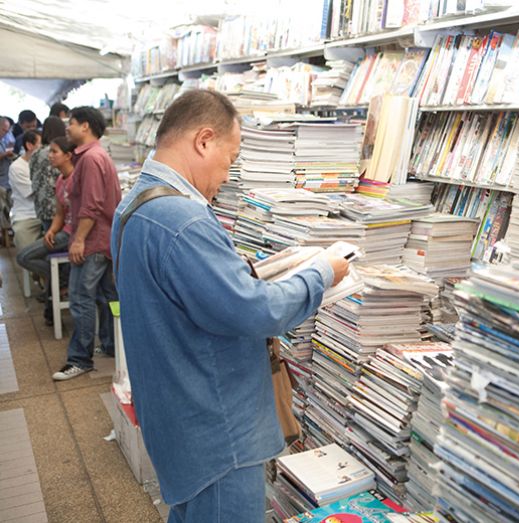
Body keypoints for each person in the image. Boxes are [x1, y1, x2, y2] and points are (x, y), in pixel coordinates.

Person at [110, 89, 349, 521]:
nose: (228, 173)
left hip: (176, 420)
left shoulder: (133, 206)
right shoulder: (182, 219)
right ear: (204, 140)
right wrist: (322, 274)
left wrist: (233, 271)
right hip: (217, 434)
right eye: (231, 158)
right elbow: (255, 311)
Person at [52, 107, 121, 381]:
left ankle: (80, 359)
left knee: (81, 298)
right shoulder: (94, 156)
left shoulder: (91, 159)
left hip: (93, 241)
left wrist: (78, 239)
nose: (67, 128)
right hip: (103, 239)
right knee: (107, 297)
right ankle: (111, 345)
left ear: (85, 127)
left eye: (72, 123)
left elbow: (90, 205)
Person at [17, 137, 76, 325]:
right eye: (49, 151)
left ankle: (60, 281)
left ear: (68, 156)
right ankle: (60, 279)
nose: (49, 156)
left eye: (54, 152)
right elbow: (59, 213)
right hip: (62, 231)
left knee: (24, 257)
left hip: (72, 234)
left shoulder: (77, 179)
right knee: (25, 257)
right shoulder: (60, 179)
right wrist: (51, 230)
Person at [30, 116, 66, 233]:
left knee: (49, 240)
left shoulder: (36, 153)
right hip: (57, 207)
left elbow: (32, 176)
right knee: (59, 243)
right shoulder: (59, 153)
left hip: (41, 205)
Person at [8, 130, 42, 250]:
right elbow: (32, 192)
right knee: (26, 256)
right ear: (29, 145)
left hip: (46, 215)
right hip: (27, 216)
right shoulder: (17, 167)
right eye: (41, 145)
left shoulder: (46, 163)